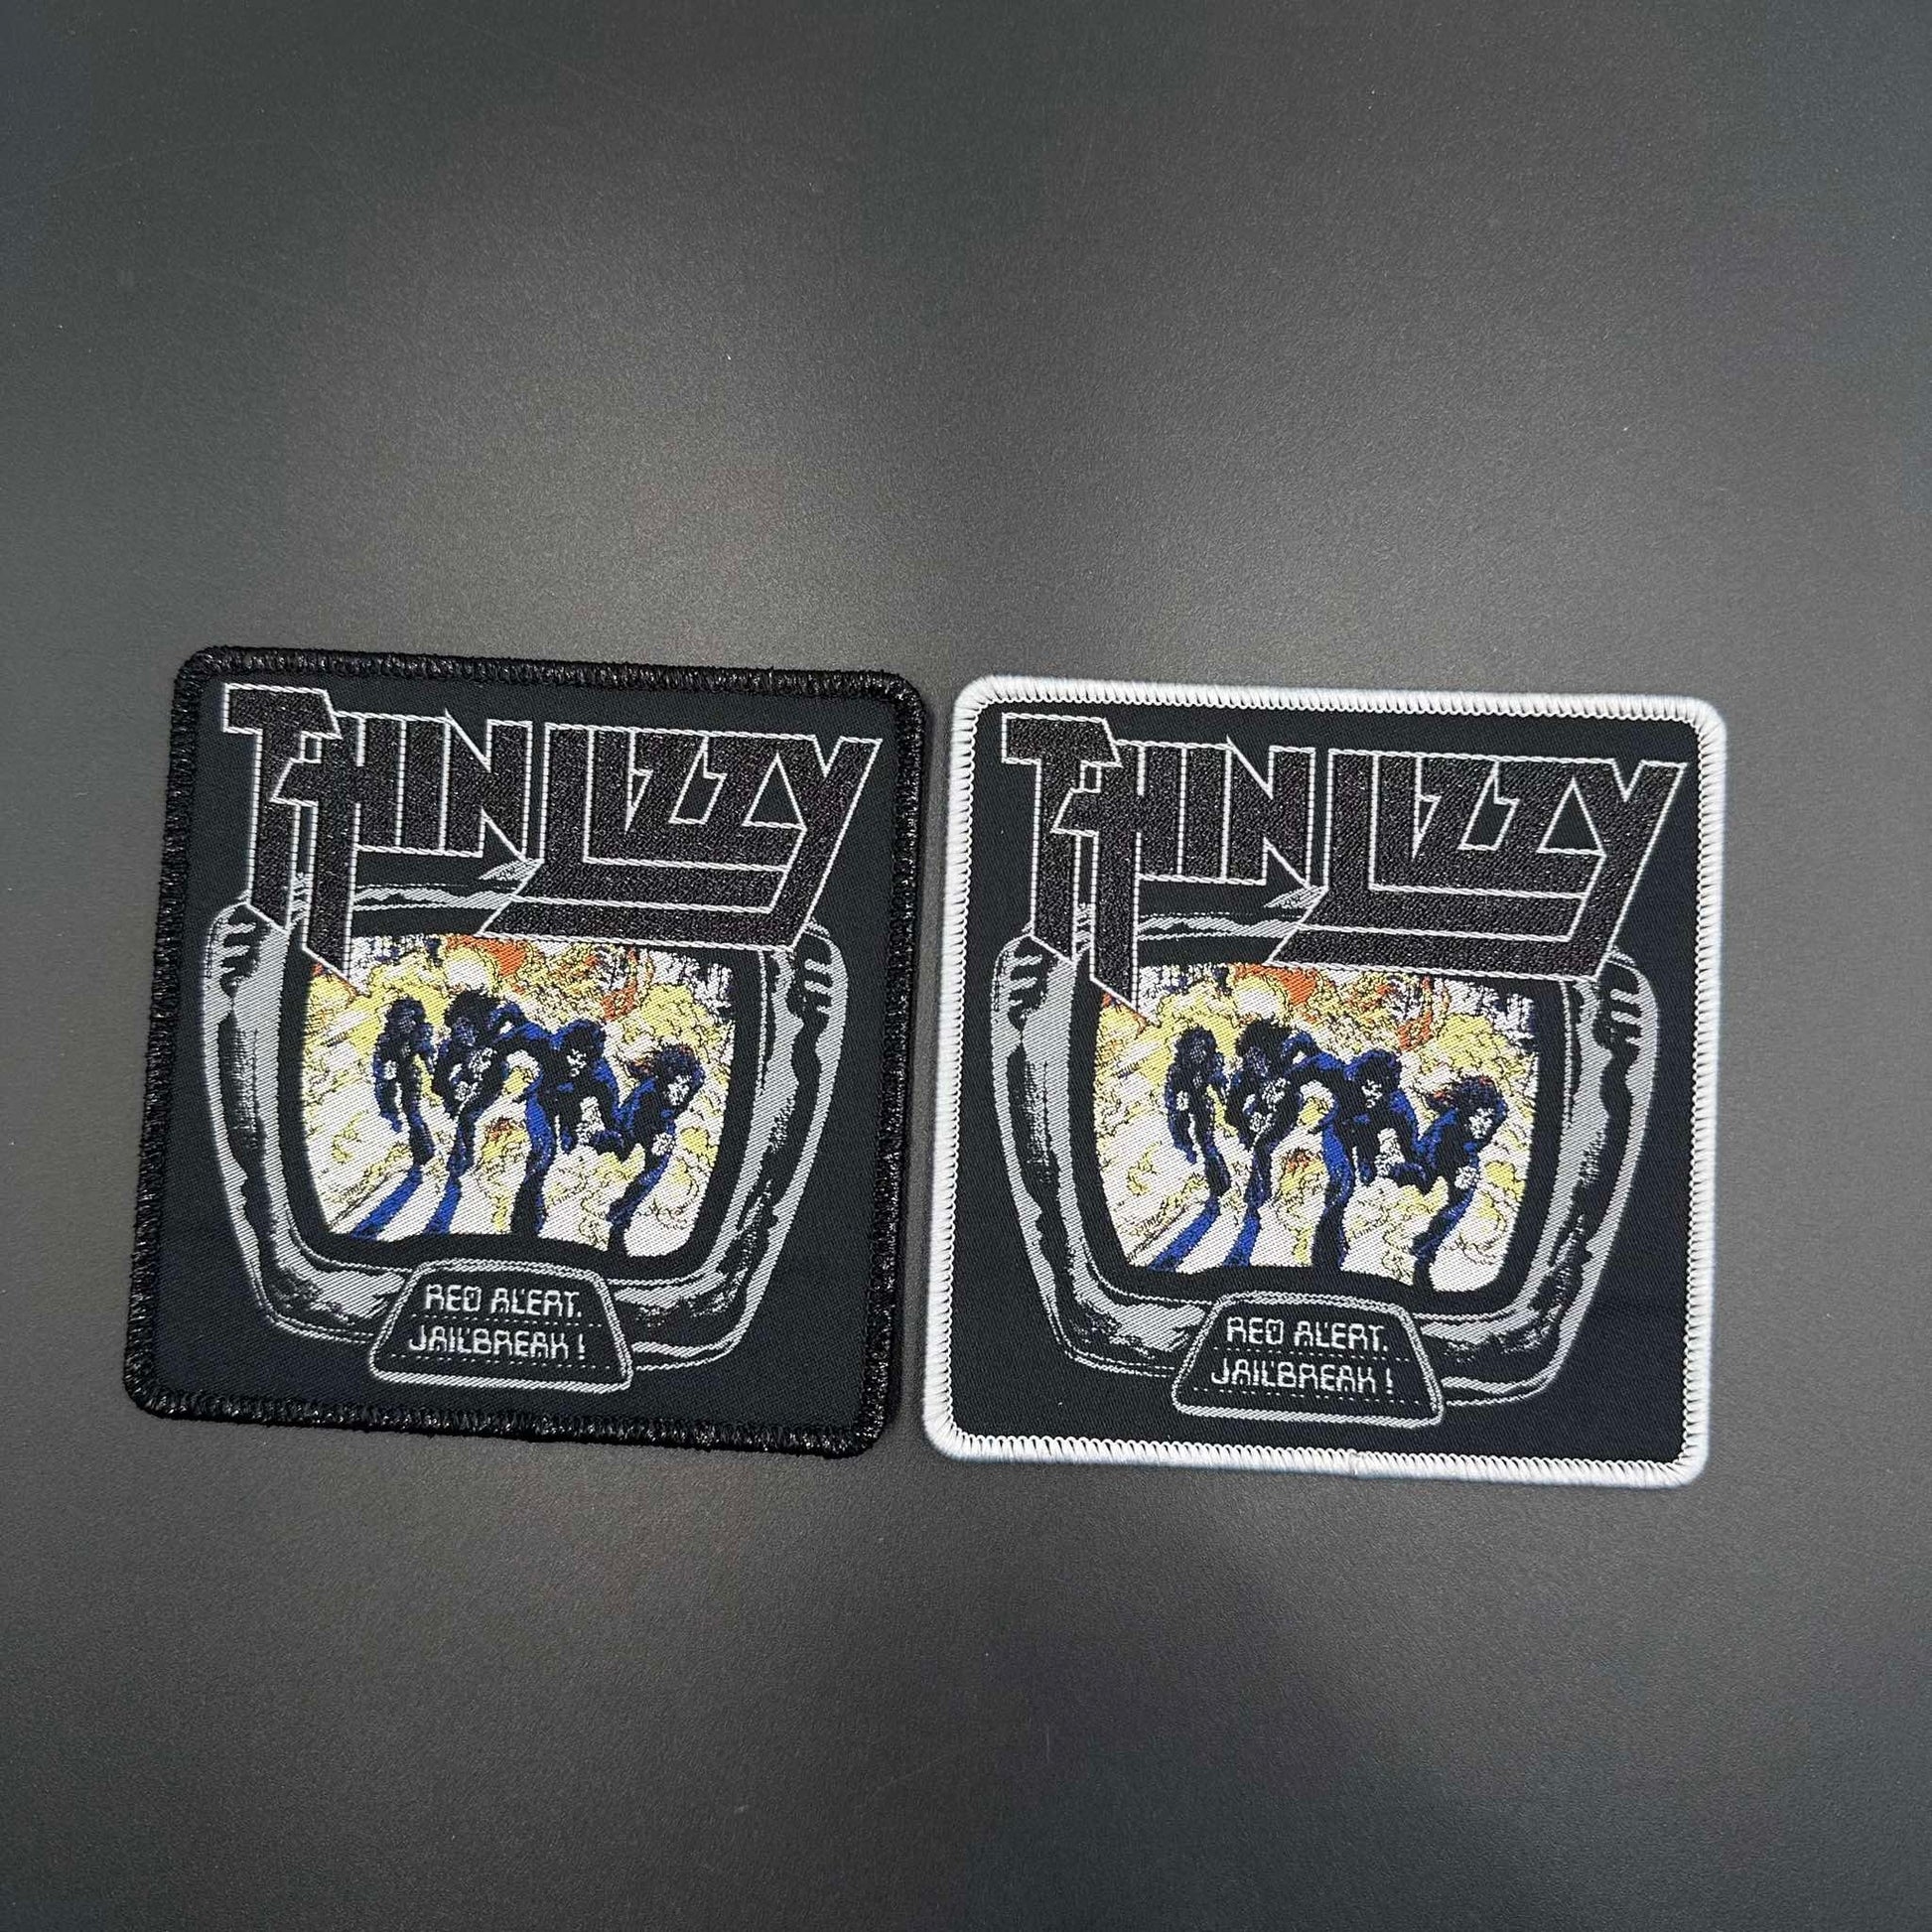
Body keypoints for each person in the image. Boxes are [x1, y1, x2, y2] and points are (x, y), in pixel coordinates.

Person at [1391, 1072, 1509, 1290]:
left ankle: (1425, 1252)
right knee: (1421, 1178)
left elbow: (1477, 1143)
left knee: (1460, 1202)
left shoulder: (1498, 1112)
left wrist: (1466, 1171)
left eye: (1487, 1118)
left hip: (1463, 1156)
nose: (1483, 1124)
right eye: (1479, 1117)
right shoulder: (1447, 1125)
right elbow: (1430, 1156)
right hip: (1438, 1150)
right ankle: (1392, 1168)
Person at [509, 1018, 622, 1238]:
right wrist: (491, 1052)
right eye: (573, 1056)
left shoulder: (601, 1075)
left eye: (583, 1059)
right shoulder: (549, 1046)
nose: (576, 1064)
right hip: (542, 1100)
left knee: (567, 1144)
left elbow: (612, 1120)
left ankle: (532, 1204)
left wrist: (598, 1136)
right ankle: (525, 1218)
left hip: (571, 1109)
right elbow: (521, 1034)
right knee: (544, 1152)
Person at [592, 1042, 706, 1251]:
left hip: (661, 1124)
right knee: (618, 1144)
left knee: (654, 1171)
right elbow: (629, 1126)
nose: (681, 1092)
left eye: (685, 1086)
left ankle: (621, 1216)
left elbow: (670, 1116)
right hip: (636, 1120)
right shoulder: (646, 1093)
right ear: (666, 1080)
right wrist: (648, 1141)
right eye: (677, 1084)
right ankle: (592, 1136)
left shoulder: (691, 1085)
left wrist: (662, 1141)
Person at [1164, 1027, 1230, 1198]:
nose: (1200, 1053)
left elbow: (1217, 1080)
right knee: (1180, 1131)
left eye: (1203, 1049)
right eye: (1196, 1049)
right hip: (1182, 1104)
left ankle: (1220, 1183)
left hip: (1200, 1101)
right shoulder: (1177, 1069)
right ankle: (1187, 1151)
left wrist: (1223, 1096)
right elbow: (1170, 1096)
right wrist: (1178, 1102)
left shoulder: (1210, 1062)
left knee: (1206, 1141)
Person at [370, 998, 436, 1169]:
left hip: (408, 1073)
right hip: (391, 1075)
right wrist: (385, 1071)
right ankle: (394, 1121)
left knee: (412, 1110)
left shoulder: (417, 1034)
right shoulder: (387, 1038)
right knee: (390, 1103)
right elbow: (380, 1064)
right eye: (404, 1019)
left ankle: (423, 1150)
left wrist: (431, 1068)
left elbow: (426, 1053)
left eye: (411, 1019)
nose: (409, 1023)